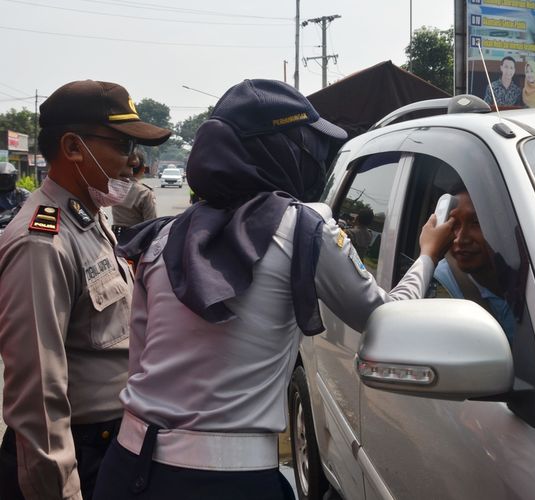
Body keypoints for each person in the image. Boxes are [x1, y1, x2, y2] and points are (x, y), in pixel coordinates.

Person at [92, 79, 454, 500]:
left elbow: (139, 364)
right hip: (228, 481)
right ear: (280, 151)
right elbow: (388, 320)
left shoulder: (161, 238)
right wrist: (428, 255)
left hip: (127, 465)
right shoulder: (303, 229)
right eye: (304, 146)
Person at [0, 80, 171, 500]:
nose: (134, 162)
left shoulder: (90, 220)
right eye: (123, 144)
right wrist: (61, 490)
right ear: (74, 148)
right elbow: (37, 397)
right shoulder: (42, 241)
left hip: (109, 440)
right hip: (74, 453)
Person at [433, 187, 516, 340]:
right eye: (455, 224)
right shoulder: (438, 284)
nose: (461, 239)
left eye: (476, 222)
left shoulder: (533, 280)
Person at [111, 150, 157, 238]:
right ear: (143, 169)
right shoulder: (144, 192)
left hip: (115, 237)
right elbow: (151, 224)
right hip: (136, 240)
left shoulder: (115, 186)